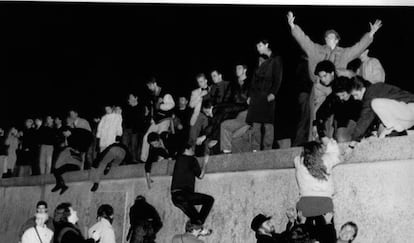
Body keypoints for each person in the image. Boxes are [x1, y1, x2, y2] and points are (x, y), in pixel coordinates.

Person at [287, 11, 382, 141]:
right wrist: (293, 26)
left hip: (336, 88)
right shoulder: (316, 49)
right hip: (320, 87)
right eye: (327, 37)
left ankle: (333, 141)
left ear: (337, 40)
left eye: (331, 37)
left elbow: (358, 47)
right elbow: (304, 40)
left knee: (335, 115)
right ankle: (315, 141)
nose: (328, 39)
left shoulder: (344, 53)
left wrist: (371, 34)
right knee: (317, 115)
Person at [332, 77, 414, 142]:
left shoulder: (372, 91)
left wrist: (354, 139)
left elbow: (365, 118)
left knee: (375, 103)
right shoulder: (372, 93)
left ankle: (396, 129)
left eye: (356, 95)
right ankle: (399, 131)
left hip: (410, 108)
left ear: (362, 88)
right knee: (382, 136)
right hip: (406, 118)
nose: (355, 98)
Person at [294, 139, 342, 242]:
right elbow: (335, 154)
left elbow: (301, 158)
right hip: (324, 202)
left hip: (305, 202)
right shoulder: (325, 160)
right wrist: (329, 142)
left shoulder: (298, 161)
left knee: (304, 237)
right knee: (327, 236)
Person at [246, 39, 283, 151]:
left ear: (267, 44)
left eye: (260, 46)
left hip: (267, 94)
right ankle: (255, 149)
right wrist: (250, 96)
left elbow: (278, 78)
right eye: (257, 46)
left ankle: (267, 149)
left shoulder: (276, 59)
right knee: (256, 124)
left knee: (268, 124)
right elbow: (253, 81)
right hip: (256, 96)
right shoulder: (260, 62)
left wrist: (273, 93)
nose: (258, 49)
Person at [171, 145, 214, 226]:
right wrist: (205, 162)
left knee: (196, 219)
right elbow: (201, 175)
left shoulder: (178, 159)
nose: (193, 151)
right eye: (191, 149)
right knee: (209, 200)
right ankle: (199, 226)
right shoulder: (191, 159)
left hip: (175, 197)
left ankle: (196, 227)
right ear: (186, 150)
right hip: (184, 195)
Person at [315, 77, 362, 143]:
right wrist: (322, 135)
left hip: (358, 124)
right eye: (338, 96)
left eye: (343, 95)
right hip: (340, 126)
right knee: (340, 138)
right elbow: (320, 113)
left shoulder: (356, 95)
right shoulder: (333, 98)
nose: (341, 98)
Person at [141, 77, 175, 162]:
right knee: (146, 137)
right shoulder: (153, 95)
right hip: (156, 121)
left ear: (155, 84)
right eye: (148, 86)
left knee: (160, 137)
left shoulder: (165, 93)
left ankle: (163, 156)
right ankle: (144, 159)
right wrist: (152, 118)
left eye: (150, 86)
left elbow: (172, 105)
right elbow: (153, 108)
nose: (149, 88)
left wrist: (161, 106)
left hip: (165, 119)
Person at [220, 63, 251, 154]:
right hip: (235, 113)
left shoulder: (250, 83)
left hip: (247, 112)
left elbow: (253, 98)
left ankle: (227, 152)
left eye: (239, 68)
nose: (237, 70)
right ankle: (227, 153)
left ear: (245, 70)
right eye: (236, 68)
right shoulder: (232, 85)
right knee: (228, 130)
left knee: (227, 128)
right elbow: (226, 100)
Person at [122, 93, 148, 163]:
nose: (129, 99)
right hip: (127, 129)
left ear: (136, 98)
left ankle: (134, 159)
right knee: (124, 145)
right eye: (129, 98)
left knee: (134, 145)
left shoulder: (141, 107)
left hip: (135, 130)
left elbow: (141, 118)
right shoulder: (127, 108)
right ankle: (124, 160)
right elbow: (124, 118)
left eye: (131, 97)